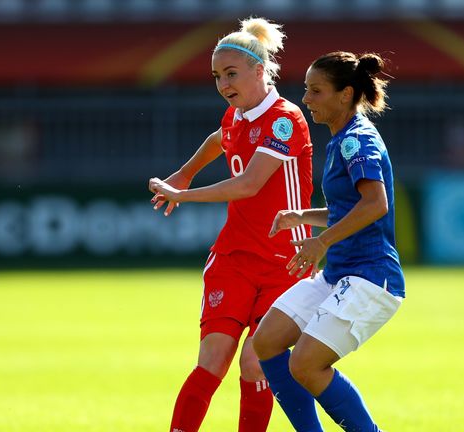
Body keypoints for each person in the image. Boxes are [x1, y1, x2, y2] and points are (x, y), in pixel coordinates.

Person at [148, 17, 314, 432]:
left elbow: (249, 184)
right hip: (234, 258)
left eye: (231, 74)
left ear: (260, 70)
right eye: (217, 76)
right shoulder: (236, 115)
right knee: (212, 360)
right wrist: (184, 173)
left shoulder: (284, 119)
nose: (223, 84)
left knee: (255, 363)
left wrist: (183, 195)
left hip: (286, 264)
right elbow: (220, 139)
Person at [252, 51, 405, 432]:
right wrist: (303, 217)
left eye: (315, 91)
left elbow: (376, 204)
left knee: (304, 364)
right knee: (267, 341)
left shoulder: (357, 141)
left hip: (371, 278)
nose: (306, 99)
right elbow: (349, 208)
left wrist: (321, 242)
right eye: (306, 90)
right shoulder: (340, 141)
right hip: (340, 273)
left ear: (344, 94)